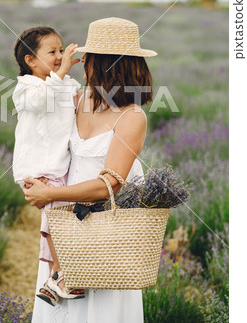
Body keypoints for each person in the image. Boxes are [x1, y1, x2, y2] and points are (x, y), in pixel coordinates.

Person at [24, 17, 158, 323]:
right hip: (69, 231)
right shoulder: (79, 98)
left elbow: (111, 183)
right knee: (64, 304)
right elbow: (38, 125)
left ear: (107, 65)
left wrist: (52, 193)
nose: (82, 63)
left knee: (101, 310)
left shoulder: (132, 116)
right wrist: (32, 176)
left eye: (90, 58)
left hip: (107, 232)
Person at [12, 26, 85, 305]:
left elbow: (81, 102)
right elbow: (42, 102)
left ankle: (51, 283)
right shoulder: (26, 87)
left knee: (64, 218)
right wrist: (63, 71)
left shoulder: (65, 83)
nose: (59, 55)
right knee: (57, 219)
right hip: (38, 166)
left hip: (59, 164)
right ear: (31, 60)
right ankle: (59, 273)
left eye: (61, 49)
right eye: (52, 51)